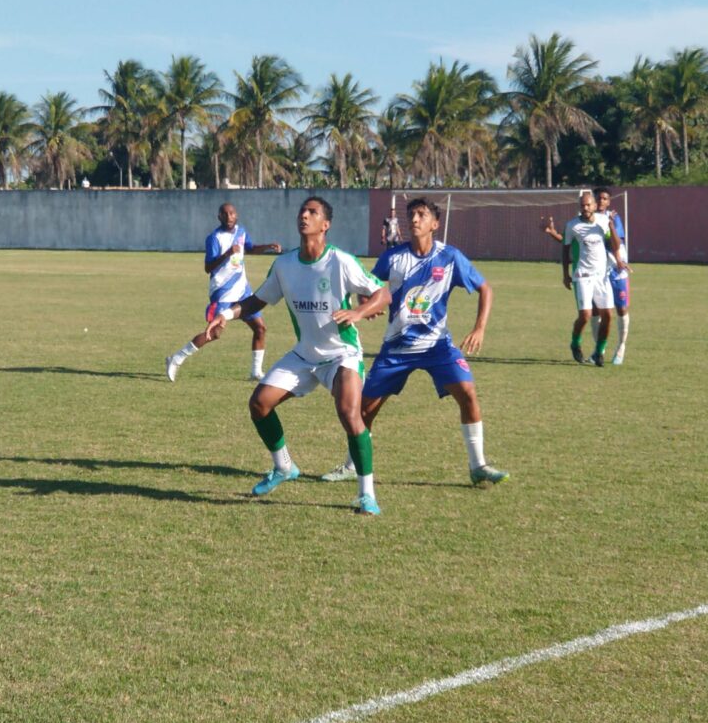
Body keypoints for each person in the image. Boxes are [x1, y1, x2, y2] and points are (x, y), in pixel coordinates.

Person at [204, 197, 390, 515]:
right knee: (259, 404)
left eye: (312, 212)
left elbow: (382, 292)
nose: (304, 215)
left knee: (349, 413)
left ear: (325, 224)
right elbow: (257, 300)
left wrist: (359, 311)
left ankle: (366, 494)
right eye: (302, 211)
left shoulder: (340, 261)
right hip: (304, 355)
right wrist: (228, 313)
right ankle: (284, 466)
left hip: (341, 353)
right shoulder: (285, 265)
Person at [322, 197, 509, 488]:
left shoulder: (450, 257)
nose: (415, 220)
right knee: (365, 410)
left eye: (422, 215)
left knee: (468, 393)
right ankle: (350, 465)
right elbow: (367, 284)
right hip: (397, 348)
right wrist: (366, 304)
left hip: (438, 346)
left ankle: (478, 466)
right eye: (412, 215)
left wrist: (479, 328)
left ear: (435, 223)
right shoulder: (393, 258)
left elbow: (485, 288)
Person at [166, 203, 282, 382]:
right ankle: (176, 358)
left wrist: (267, 246)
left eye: (232, 213)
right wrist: (227, 253)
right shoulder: (214, 238)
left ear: (237, 215)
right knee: (214, 333)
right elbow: (208, 267)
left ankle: (256, 372)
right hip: (222, 292)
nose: (229, 217)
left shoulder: (241, 232)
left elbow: (249, 249)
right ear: (219, 217)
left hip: (243, 291)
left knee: (260, 328)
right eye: (225, 214)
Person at [540, 192, 626, 367]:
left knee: (608, 315)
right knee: (585, 316)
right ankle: (575, 343)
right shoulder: (572, 226)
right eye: (582, 205)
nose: (585, 208)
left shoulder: (603, 221)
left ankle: (599, 352)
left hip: (602, 276)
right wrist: (565, 275)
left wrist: (611, 227)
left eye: (588, 205)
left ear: (594, 206)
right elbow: (565, 250)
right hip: (583, 276)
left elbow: (616, 246)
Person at [592, 187, 629, 365]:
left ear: (609, 202)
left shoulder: (614, 218)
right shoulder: (586, 219)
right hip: (597, 271)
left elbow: (616, 242)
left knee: (621, 309)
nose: (601, 201)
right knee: (595, 310)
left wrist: (618, 259)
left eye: (605, 199)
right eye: (598, 198)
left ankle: (621, 347)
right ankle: (599, 350)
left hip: (615, 268)